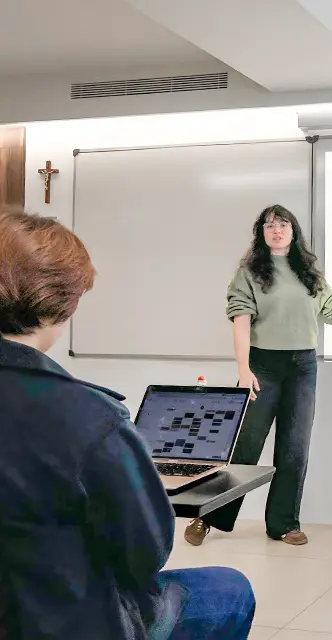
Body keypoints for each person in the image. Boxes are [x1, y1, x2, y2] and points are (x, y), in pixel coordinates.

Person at [0, 208, 255, 639]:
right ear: (65, 302)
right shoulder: (92, 416)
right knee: (230, 589)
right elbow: (146, 553)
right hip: (70, 623)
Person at [186, 204, 332, 547]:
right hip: (262, 366)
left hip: (302, 367)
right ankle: (209, 517)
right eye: (269, 225)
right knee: (245, 446)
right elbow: (241, 322)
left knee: (294, 448)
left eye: (283, 224)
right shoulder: (249, 272)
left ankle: (284, 524)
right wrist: (243, 370)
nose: (276, 230)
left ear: (294, 231)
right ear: (261, 233)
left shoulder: (308, 273)